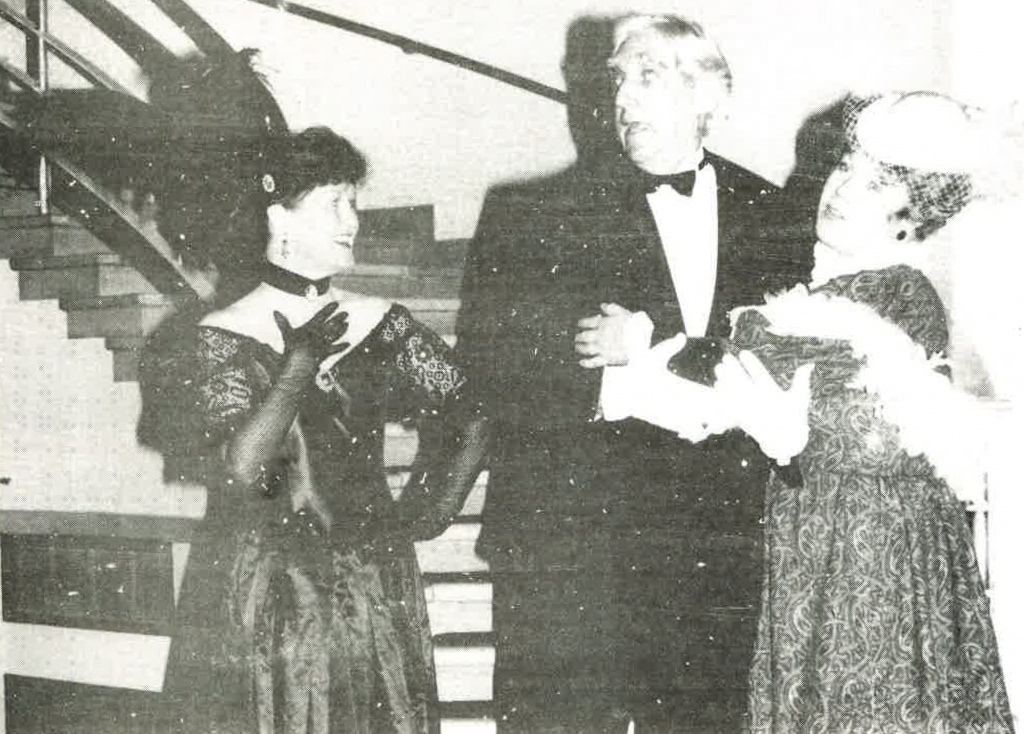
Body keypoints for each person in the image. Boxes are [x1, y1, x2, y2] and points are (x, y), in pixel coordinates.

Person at [589, 91, 1015, 733]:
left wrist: (785, 433)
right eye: (845, 167)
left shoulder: (901, 294)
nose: (842, 189)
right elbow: (730, 393)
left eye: (876, 184)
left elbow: (874, 428)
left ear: (910, 216)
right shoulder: (814, 295)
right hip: (810, 542)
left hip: (872, 552)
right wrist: (634, 365)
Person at [457, 13, 813, 732]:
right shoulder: (533, 212)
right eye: (617, 78)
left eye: (648, 76)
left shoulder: (772, 213)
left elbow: (787, 363)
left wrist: (652, 347)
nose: (622, 97)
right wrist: (615, 384)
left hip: (711, 547)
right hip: (574, 549)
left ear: (709, 95)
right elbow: (492, 369)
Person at [137, 127, 488, 734]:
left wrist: (432, 512)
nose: (353, 219)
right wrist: (298, 366)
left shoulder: (380, 321)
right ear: (280, 216)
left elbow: (475, 411)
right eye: (334, 203)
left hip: (373, 587)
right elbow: (243, 469)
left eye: (354, 201)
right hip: (272, 592)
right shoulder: (218, 335)